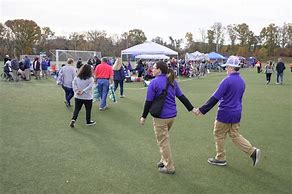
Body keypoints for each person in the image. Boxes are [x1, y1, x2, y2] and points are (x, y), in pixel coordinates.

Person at [194, 56, 261, 167]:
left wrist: (201, 110)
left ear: (230, 67)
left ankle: (220, 158)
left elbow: (215, 98)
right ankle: (252, 151)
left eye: (227, 67)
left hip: (225, 113)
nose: (226, 69)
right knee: (235, 135)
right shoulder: (242, 81)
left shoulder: (227, 81)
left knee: (219, 134)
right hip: (237, 113)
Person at [140, 61, 196, 174]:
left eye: (154, 68)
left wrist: (143, 117)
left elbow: (148, 102)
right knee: (164, 139)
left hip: (161, 117)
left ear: (159, 70)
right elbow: (182, 97)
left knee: (163, 141)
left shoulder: (153, 83)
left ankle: (169, 167)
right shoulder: (172, 81)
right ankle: (164, 159)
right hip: (172, 116)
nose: (152, 69)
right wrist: (192, 108)